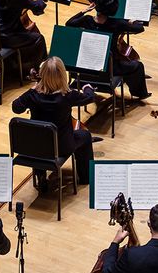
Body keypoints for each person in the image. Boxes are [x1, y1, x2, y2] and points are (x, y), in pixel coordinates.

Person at [12, 57, 97, 186]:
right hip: (60, 148)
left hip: (34, 147)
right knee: (85, 136)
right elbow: (90, 98)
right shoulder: (67, 96)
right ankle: (85, 178)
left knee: (41, 137)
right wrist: (87, 87)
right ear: (63, 75)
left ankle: (40, 175)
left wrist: (33, 88)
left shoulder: (32, 95)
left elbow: (16, 107)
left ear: (42, 75)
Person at [67, 0, 151, 100]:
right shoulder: (117, 24)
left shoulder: (86, 20)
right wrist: (132, 20)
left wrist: (85, 10)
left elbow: (69, 23)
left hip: (85, 68)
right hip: (108, 70)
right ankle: (140, 94)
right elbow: (140, 28)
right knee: (137, 66)